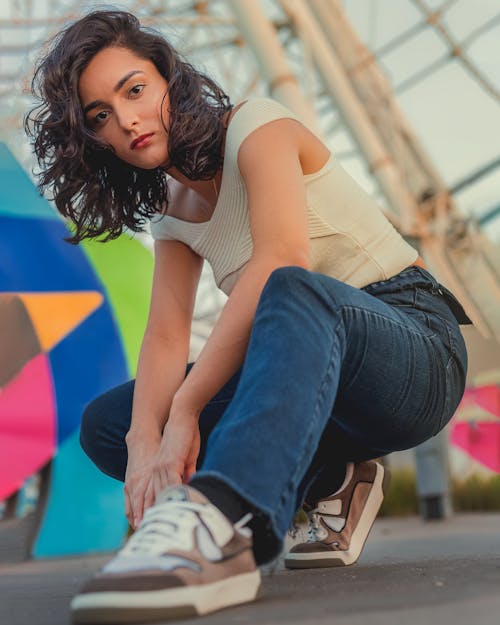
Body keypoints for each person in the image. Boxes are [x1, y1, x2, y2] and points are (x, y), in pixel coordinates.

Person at [26, 9, 470, 624]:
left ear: (168, 79)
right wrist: (145, 443)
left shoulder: (257, 127)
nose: (126, 121)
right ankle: (331, 481)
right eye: (100, 115)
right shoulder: (171, 213)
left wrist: (184, 412)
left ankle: (221, 527)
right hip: (309, 381)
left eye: (134, 90)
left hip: (411, 346)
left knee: (290, 286)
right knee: (112, 420)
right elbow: (163, 336)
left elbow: (280, 260)